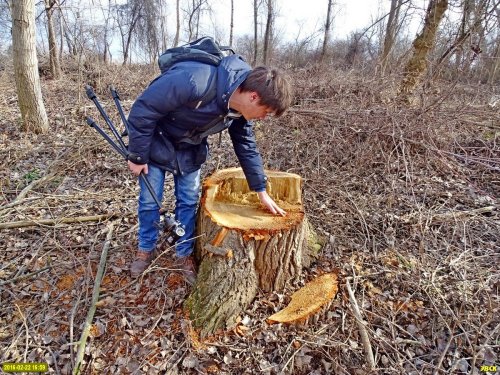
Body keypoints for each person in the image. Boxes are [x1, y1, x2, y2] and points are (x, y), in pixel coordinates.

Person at [126, 53, 293, 282]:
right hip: (156, 141)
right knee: (149, 200)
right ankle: (145, 248)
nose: (263, 118)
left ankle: (183, 252)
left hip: (190, 147)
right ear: (254, 97)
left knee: (188, 200)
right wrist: (137, 155)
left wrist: (260, 189)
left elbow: (246, 145)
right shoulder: (193, 80)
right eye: (266, 112)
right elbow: (144, 108)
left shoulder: (239, 110)